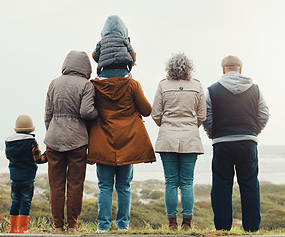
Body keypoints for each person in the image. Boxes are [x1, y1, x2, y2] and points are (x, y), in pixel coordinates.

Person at [203, 55, 269, 232]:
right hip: (248, 143)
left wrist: (213, 134)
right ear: (240, 69)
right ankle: (252, 229)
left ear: (223, 69)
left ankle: (223, 229)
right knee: (249, 184)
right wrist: (253, 131)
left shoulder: (212, 90)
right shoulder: (255, 89)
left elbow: (206, 117)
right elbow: (264, 114)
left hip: (222, 143)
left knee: (221, 185)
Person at [87, 63, 156, 232]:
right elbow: (147, 110)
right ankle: (123, 226)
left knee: (104, 186)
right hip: (128, 143)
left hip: (103, 142)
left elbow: (87, 112)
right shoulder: (132, 85)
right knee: (124, 186)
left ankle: (102, 227)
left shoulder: (94, 86)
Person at [44, 50, 98, 232]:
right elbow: (86, 112)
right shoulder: (86, 85)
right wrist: (97, 115)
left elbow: (48, 114)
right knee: (75, 184)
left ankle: (58, 226)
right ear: (86, 67)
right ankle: (72, 226)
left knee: (56, 185)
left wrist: (51, 132)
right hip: (77, 141)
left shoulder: (54, 83)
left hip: (53, 139)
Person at [151, 53, 206, 231]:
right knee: (187, 182)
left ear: (170, 68)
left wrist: (166, 124)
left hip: (167, 138)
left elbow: (155, 114)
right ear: (189, 68)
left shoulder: (163, 85)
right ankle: (187, 224)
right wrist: (190, 125)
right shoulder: (197, 86)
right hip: (190, 138)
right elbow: (202, 116)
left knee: (171, 182)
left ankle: (172, 223)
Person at [5, 115, 47, 233]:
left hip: (14, 178)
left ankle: (13, 229)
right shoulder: (31, 142)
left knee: (15, 201)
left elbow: (8, 156)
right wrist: (48, 154)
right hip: (28, 178)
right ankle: (23, 229)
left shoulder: (9, 142)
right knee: (25, 202)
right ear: (30, 129)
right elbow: (38, 159)